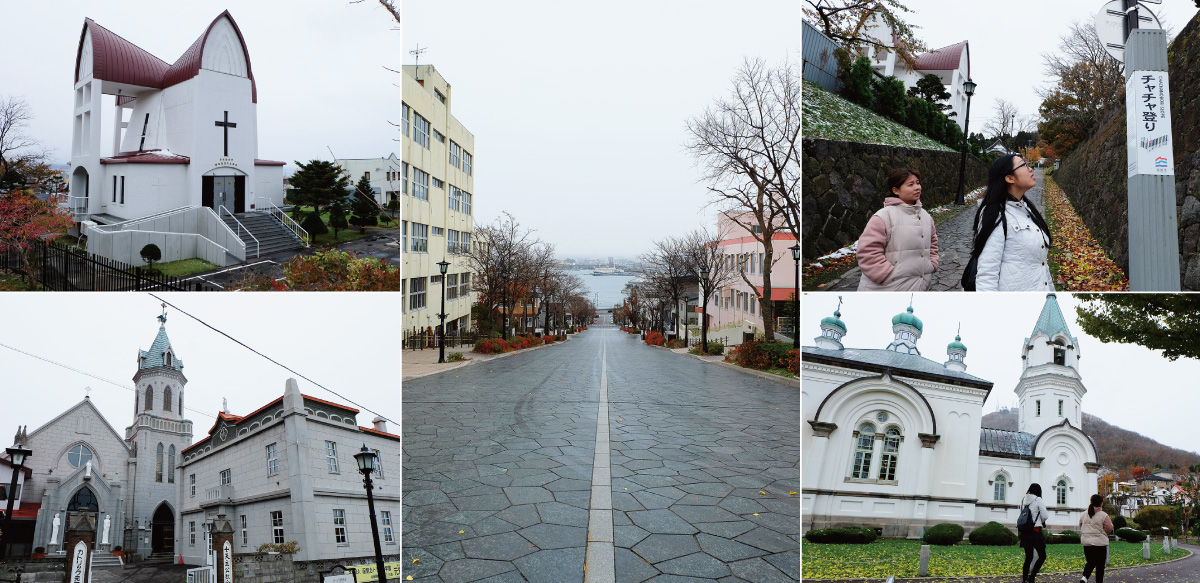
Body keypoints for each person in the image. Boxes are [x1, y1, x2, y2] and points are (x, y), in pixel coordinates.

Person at [970, 154, 1053, 291]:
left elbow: (1041, 265)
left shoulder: (1026, 209)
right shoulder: (996, 214)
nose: (1030, 169)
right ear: (1009, 178)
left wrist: (1051, 295)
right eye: (1024, 165)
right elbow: (987, 275)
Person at [856, 168, 939, 291]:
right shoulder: (884, 216)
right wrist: (888, 275)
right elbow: (867, 252)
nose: (917, 187)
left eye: (918, 183)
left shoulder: (926, 216)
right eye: (910, 184)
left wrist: (931, 265)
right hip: (885, 291)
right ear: (895, 190)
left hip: (918, 288)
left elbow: (933, 245)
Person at [1079, 494, 1115, 583]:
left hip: (1086, 542)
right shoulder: (1103, 515)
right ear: (1101, 503)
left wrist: (1087, 532)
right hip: (1100, 543)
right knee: (1100, 565)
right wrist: (1102, 532)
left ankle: (1084, 577)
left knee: (1090, 562)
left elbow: (1081, 524)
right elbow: (1109, 527)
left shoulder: (1084, 514)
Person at [1020, 483, 1050, 583]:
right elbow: (1045, 515)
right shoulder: (1038, 499)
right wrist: (1040, 520)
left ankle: (1024, 580)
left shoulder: (1023, 499)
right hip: (1035, 531)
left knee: (1028, 557)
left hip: (1025, 531)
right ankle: (1031, 578)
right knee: (1042, 556)